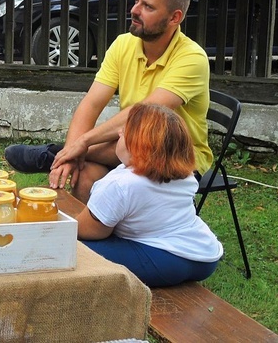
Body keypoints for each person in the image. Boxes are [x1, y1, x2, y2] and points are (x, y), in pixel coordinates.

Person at [5, 0, 213, 203]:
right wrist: (70, 155)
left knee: (142, 139)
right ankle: (88, 236)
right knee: (84, 175)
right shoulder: (124, 44)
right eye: (136, 1)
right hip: (127, 147)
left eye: (148, 7)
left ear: (175, 18)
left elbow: (144, 114)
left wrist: (82, 144)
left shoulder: (192, 58)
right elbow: (91, 104)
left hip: (177, 156)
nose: (134, 10)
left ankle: (53, 153)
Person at [76, 103, 223, 287]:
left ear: (138, 144)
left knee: (71, 250)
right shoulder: (184, 175)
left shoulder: (119, 184)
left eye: (126, 131)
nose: (119, 133)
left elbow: (88, 231)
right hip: (205, 256)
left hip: (165, 259)